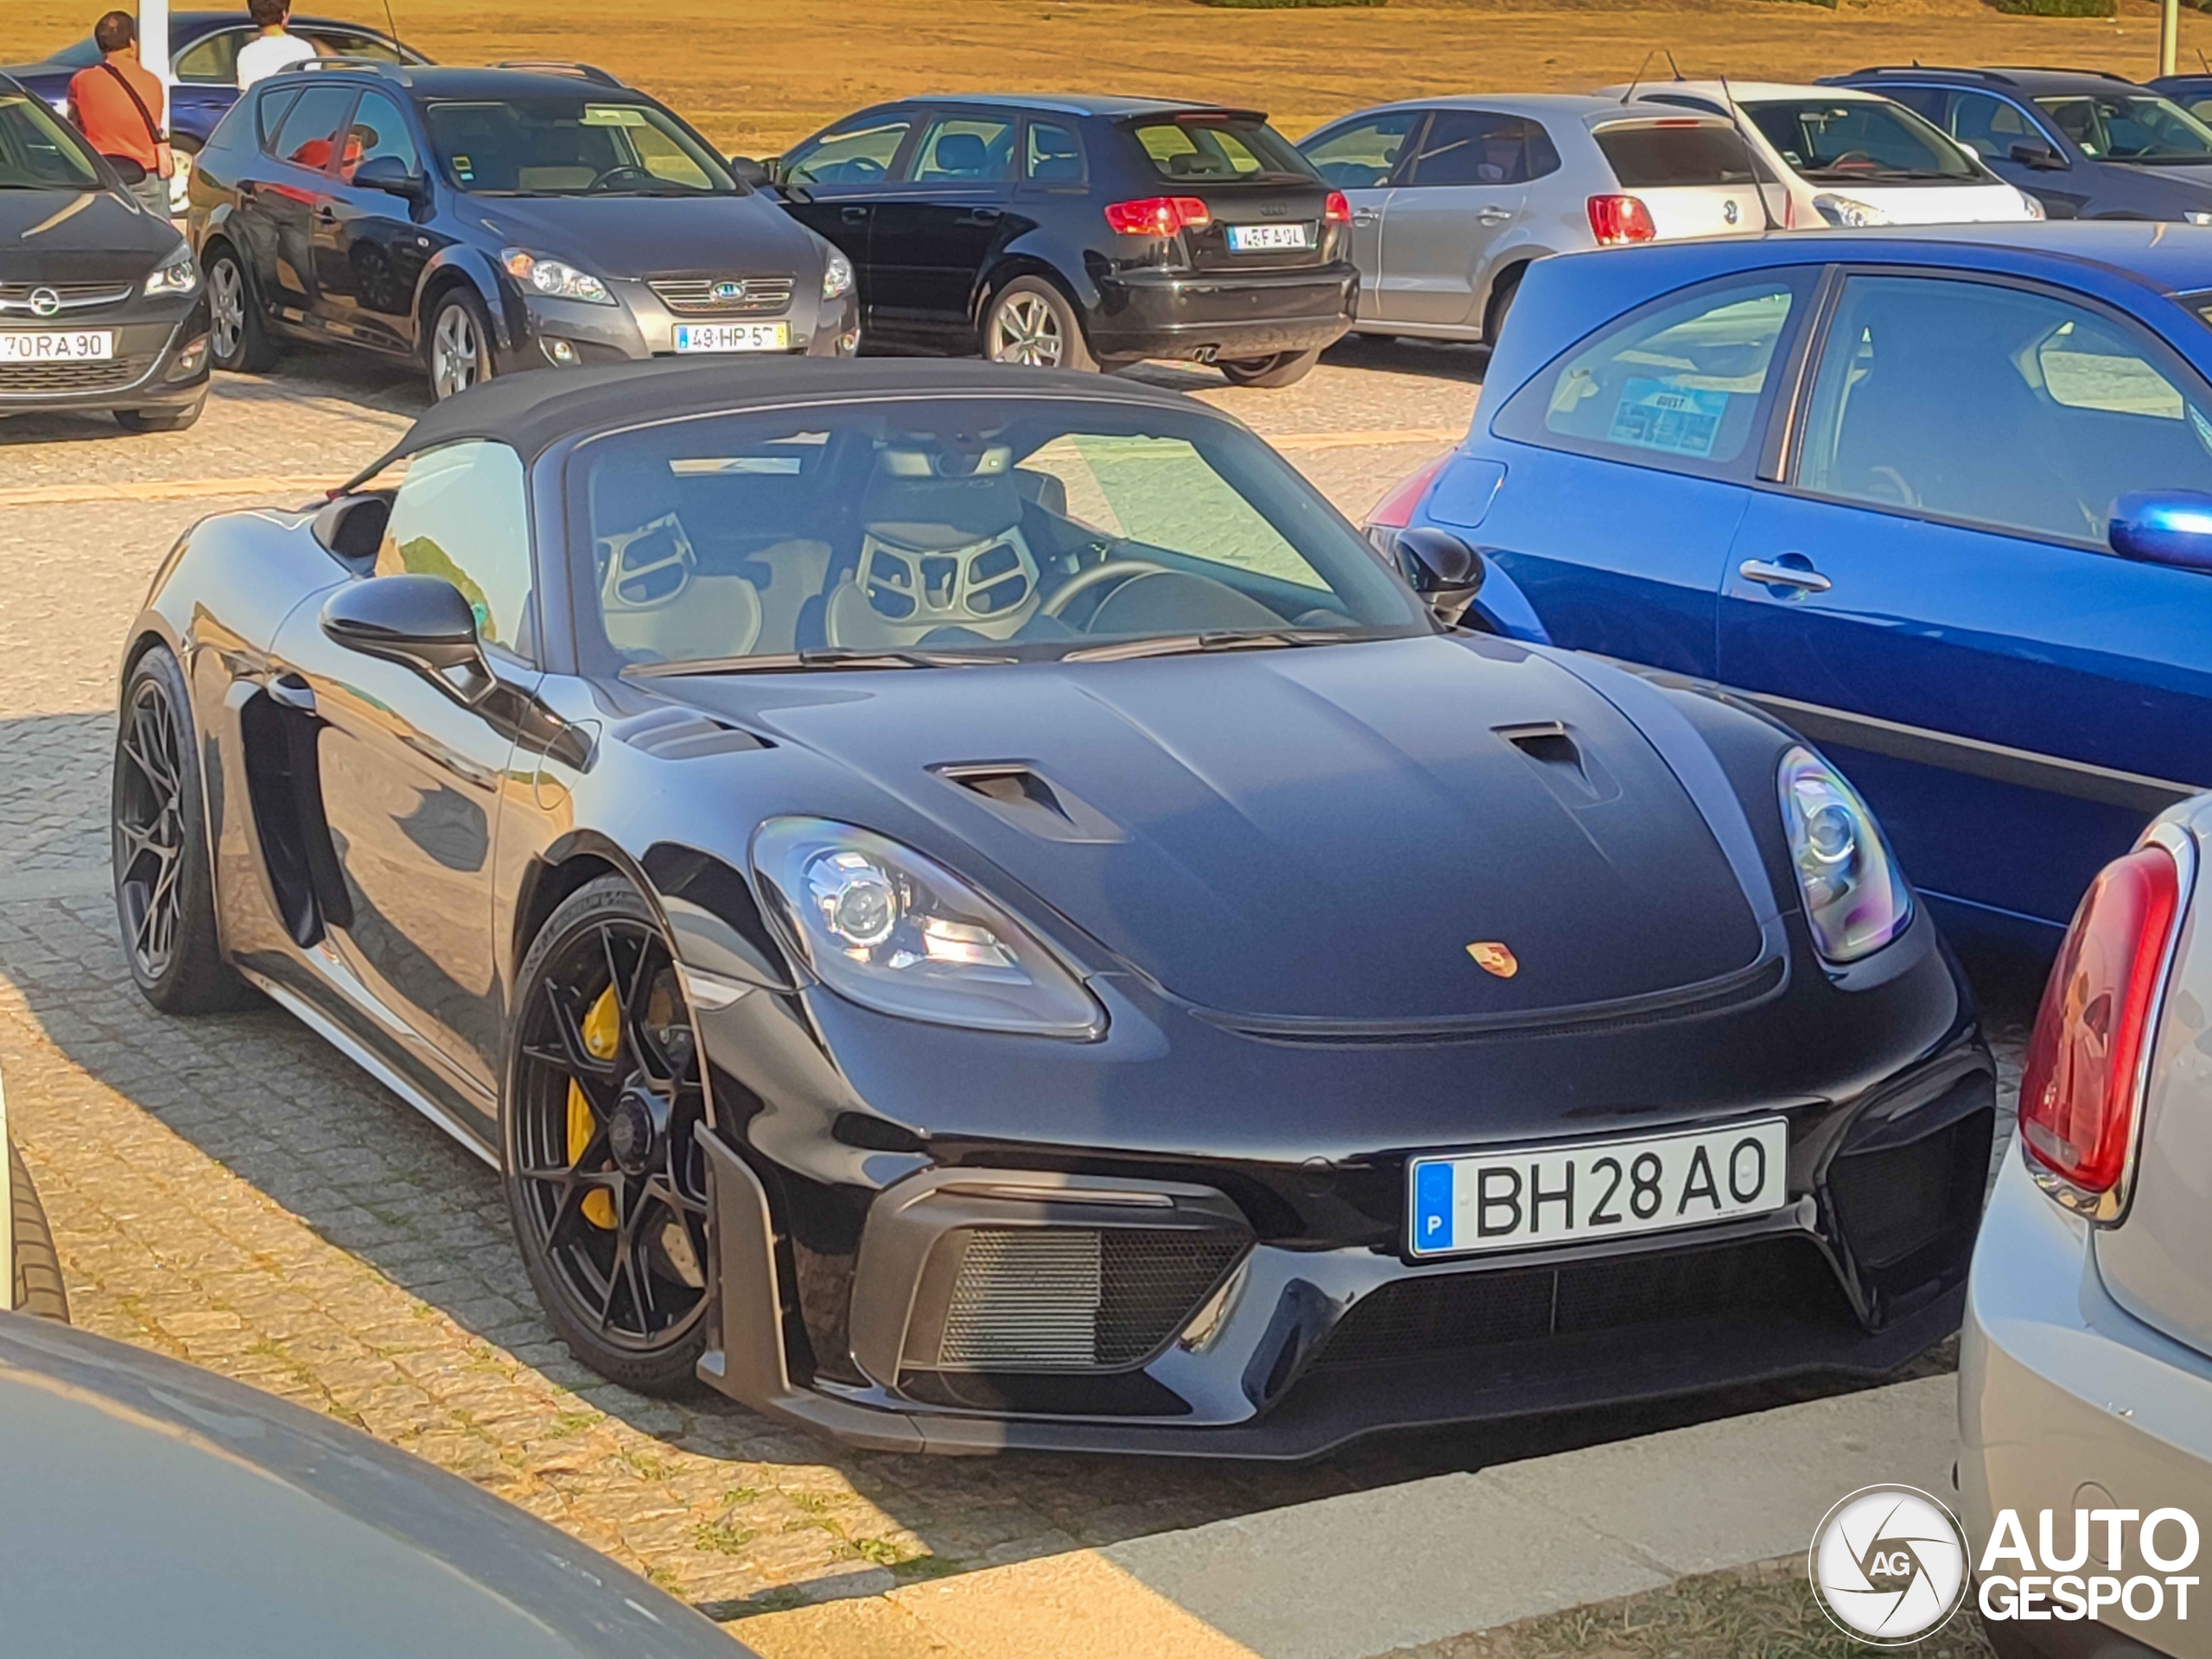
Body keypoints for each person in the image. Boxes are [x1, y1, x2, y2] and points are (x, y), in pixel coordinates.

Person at [65, 11, 172, 218]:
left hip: (102, 174)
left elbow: (75, 124)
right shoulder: (152, 81)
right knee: (152, 238)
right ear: (132, 43)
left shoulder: (81, 81)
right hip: (146, 174)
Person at [235, 0, 321, 91]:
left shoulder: (246, 54)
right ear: (284, 14)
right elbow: (311, 89)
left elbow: (246, 92)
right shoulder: (304, 49)